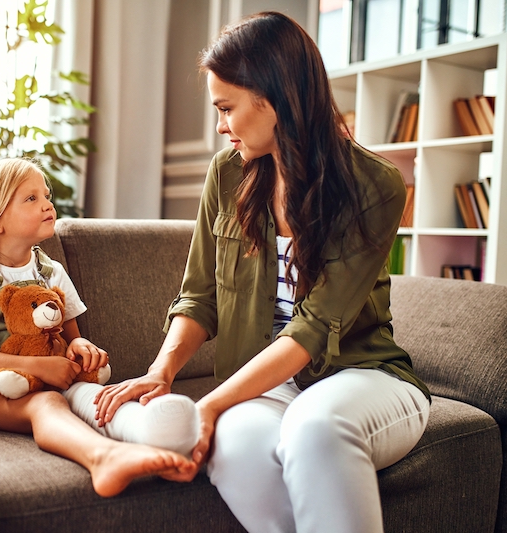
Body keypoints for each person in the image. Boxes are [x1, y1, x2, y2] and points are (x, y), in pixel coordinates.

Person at [94, 11, 431, 532]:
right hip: (264, 387)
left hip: (363, 377)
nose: (220, 125)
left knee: (315, 427)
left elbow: (313, 329)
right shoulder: (228, 174)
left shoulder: (375, 185)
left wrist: (207, 405)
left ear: (274, 98)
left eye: (226, 108)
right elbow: (199, 296)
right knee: (236, 445)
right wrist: (162, 371)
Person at [0, 158, 199, 497]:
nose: (47, 204)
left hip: (47, 379)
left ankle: (162, 438)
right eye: (31, 199)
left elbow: (73, 339)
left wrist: (82, 350)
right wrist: (37, 366)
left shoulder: (51, 272)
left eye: (46, 195)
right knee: (47, 405)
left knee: (93, 396)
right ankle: (104, 458)